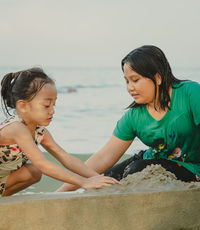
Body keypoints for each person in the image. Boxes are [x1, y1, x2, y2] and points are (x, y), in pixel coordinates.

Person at [57, 45, 200, 192]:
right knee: (107, 178)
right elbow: (103, 157)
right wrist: (61, 192)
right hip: (150, 160)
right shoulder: (134, 116)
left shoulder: (190, 93)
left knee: (136, 170)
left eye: (135, 80)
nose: (130, 87)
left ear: (158, 78)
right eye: (127, 81)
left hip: (192, 167)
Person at [0, 67, 120, 197]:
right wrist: (83, 182)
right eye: (46, 106)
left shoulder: (40, 132)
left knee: (33, 172)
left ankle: (4, 200)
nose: (52, 111)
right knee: (36, 168)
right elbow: (42, 164)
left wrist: (97, 178)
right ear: (23, 106)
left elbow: (65, 157)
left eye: (54, 105)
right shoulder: (17, 128)